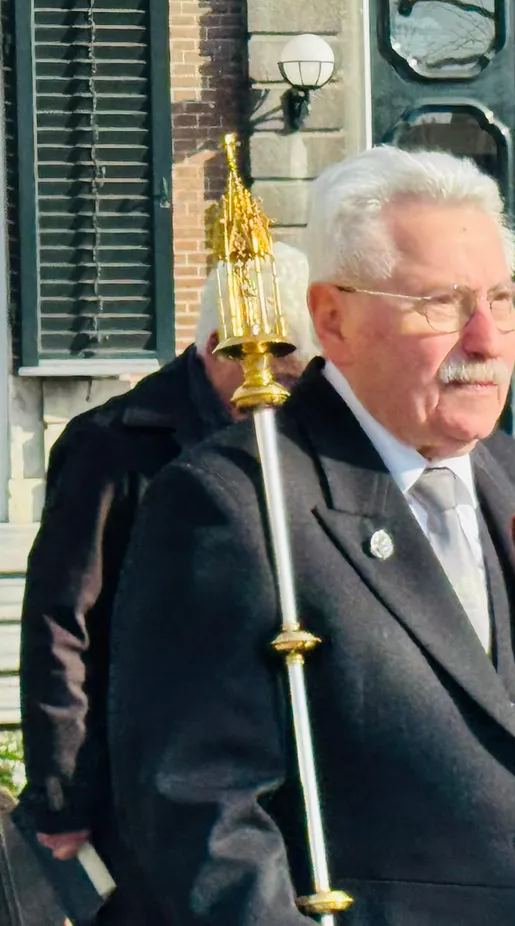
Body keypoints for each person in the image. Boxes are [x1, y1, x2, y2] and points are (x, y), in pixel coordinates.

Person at [107, 146, 515, 926]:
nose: (486, 339)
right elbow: (201, 814)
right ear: (333, 319)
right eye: (441, 305)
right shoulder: (239, 502)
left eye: (502, 300)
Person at [17, 241, 316, 924]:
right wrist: (64, 795)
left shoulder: (304, 434)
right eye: (279, 369)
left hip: (276, 773)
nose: (287, 392)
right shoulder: (112, 445)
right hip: (150, 777)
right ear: (221, 346)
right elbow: (63, 621)